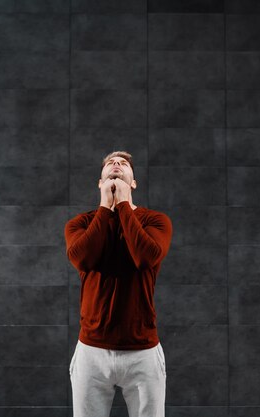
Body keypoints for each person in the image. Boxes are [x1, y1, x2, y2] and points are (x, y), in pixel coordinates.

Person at [64, 150, 173, 417]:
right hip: (92, 349)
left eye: (123, 164)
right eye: (111, 164)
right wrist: (105, 209)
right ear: (100, 183)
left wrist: (123, 205)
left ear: (133, 182)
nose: (116, 165)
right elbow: (82, 259)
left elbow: (146, 257)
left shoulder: (156, 221)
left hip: (142, 351)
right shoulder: (81, 223)